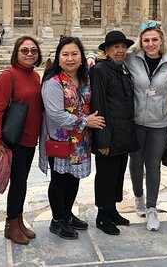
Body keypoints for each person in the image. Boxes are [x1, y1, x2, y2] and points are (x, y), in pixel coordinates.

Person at [40, 37, 105, 240]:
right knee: (59, 180)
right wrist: (86, 121)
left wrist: (93, 56)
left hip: (81, 140)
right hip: (61, 139)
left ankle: (67, 214)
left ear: (81, 57)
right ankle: (57, 220)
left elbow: (97, 56)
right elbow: (56, 115)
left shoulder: (84, 77)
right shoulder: (53, 83)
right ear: (58, 58)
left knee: (73, 178)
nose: (70, 58)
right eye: (65, 54)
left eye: (74, 54)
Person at [126, 22, 167, 231]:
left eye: (154, 40)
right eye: (146, 40)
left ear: (161, 41)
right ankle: (139, 196)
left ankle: (151, 208)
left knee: (153, 164)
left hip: (159, 123)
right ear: (141, 42)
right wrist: (94, 57)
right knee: (136, 161)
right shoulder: (132, 59)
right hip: (136, 121)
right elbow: (110, 57)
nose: (150, 44)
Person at [0, 35, 44, 245]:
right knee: (18, 183)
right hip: (16, 140)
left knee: (22, 182)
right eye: (25, 50)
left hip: (30, 139)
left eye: (33, 51)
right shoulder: (8, 76)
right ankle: (11, 225)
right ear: (16, 53)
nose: (29, 54)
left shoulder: (34, 76)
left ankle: (18, 221)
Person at [91, 30, 139, 235]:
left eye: (122, 47)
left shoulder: (122, 68)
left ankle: (112, 209)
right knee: (106, 175)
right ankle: (102, 215)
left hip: (122, 133)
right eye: (115, 47)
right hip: (109, 134)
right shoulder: (101, 70)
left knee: (118, 173)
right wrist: (102, 140)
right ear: (107, 50)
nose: (120, 51)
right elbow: (99, 103)